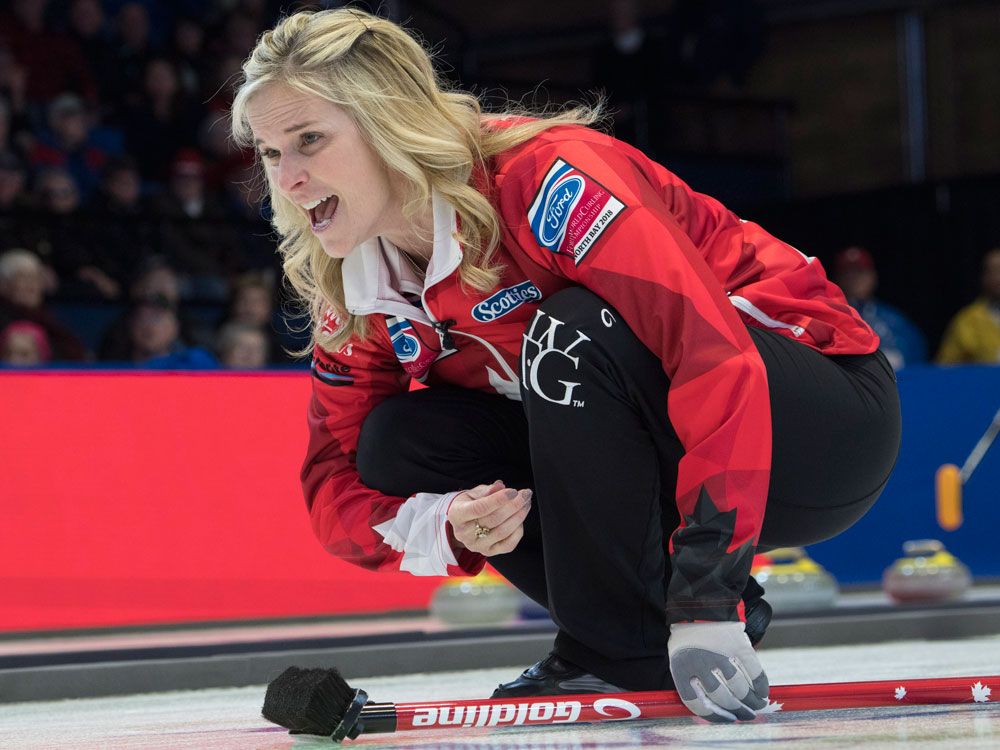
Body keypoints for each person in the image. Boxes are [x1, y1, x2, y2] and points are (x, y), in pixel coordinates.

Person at [231, 9, 901, 722]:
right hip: (664, 445)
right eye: (272, 153)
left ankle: (630, 635)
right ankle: (625, 645)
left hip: (820, 422)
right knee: (401, 440)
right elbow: (333, 487)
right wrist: (445, 523)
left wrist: (707, 596)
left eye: (310, 140)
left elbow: (715, 359)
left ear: (390, 120)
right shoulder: (355, 285)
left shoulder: (547, 180)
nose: (290, 179)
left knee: (572, 328)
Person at [832, 246, 927, 370]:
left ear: (873, 277)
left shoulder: (896, 321)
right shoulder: (829, 318)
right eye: (848, 273)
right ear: (836, 279)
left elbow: (919, 365)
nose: (854, 279)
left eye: (860, 272)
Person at [936, 247, 1000, 365]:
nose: (998, 278)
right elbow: (945, 368)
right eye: (994, 271)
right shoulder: (967, 320)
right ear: (984, 278)